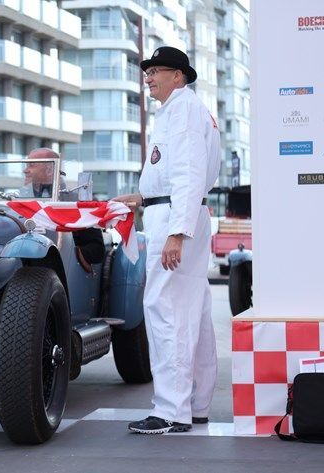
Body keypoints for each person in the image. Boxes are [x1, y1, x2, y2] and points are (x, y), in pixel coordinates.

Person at [113, 46, 221, 434]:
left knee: (166, 311)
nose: (148, 78)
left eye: (156, 71)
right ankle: (195, 404)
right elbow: (177, 174)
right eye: (147, 72)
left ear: (179, 76)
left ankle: (171, 410)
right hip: (179, 210)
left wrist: (177, 232)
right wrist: (143, 197)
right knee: (192, 312)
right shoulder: (185, 110)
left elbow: (188, 174)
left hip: (176, 217)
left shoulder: (182, 110)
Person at [22, 148, 105, 266]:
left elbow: (96, 251)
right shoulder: (19, 198)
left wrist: (68, 254)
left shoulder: (78, 203)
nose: (25, 170)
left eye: (31, 165)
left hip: (60, 269)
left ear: (49, 170)